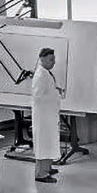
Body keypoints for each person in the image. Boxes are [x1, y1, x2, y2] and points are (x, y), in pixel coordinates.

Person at [32, 47, 63, 184]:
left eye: (54, 59)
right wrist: (54, 95)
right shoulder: (40, 75)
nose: (54, 62)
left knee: (49, 142)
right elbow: (37, 97)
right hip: (44, 117)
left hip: (49, 115)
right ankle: (41, 174)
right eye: (51, 60)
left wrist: (55, 90)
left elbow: (46, 90)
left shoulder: (45, 73)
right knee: (44, 144)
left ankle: (47, 167)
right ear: (42, 59)